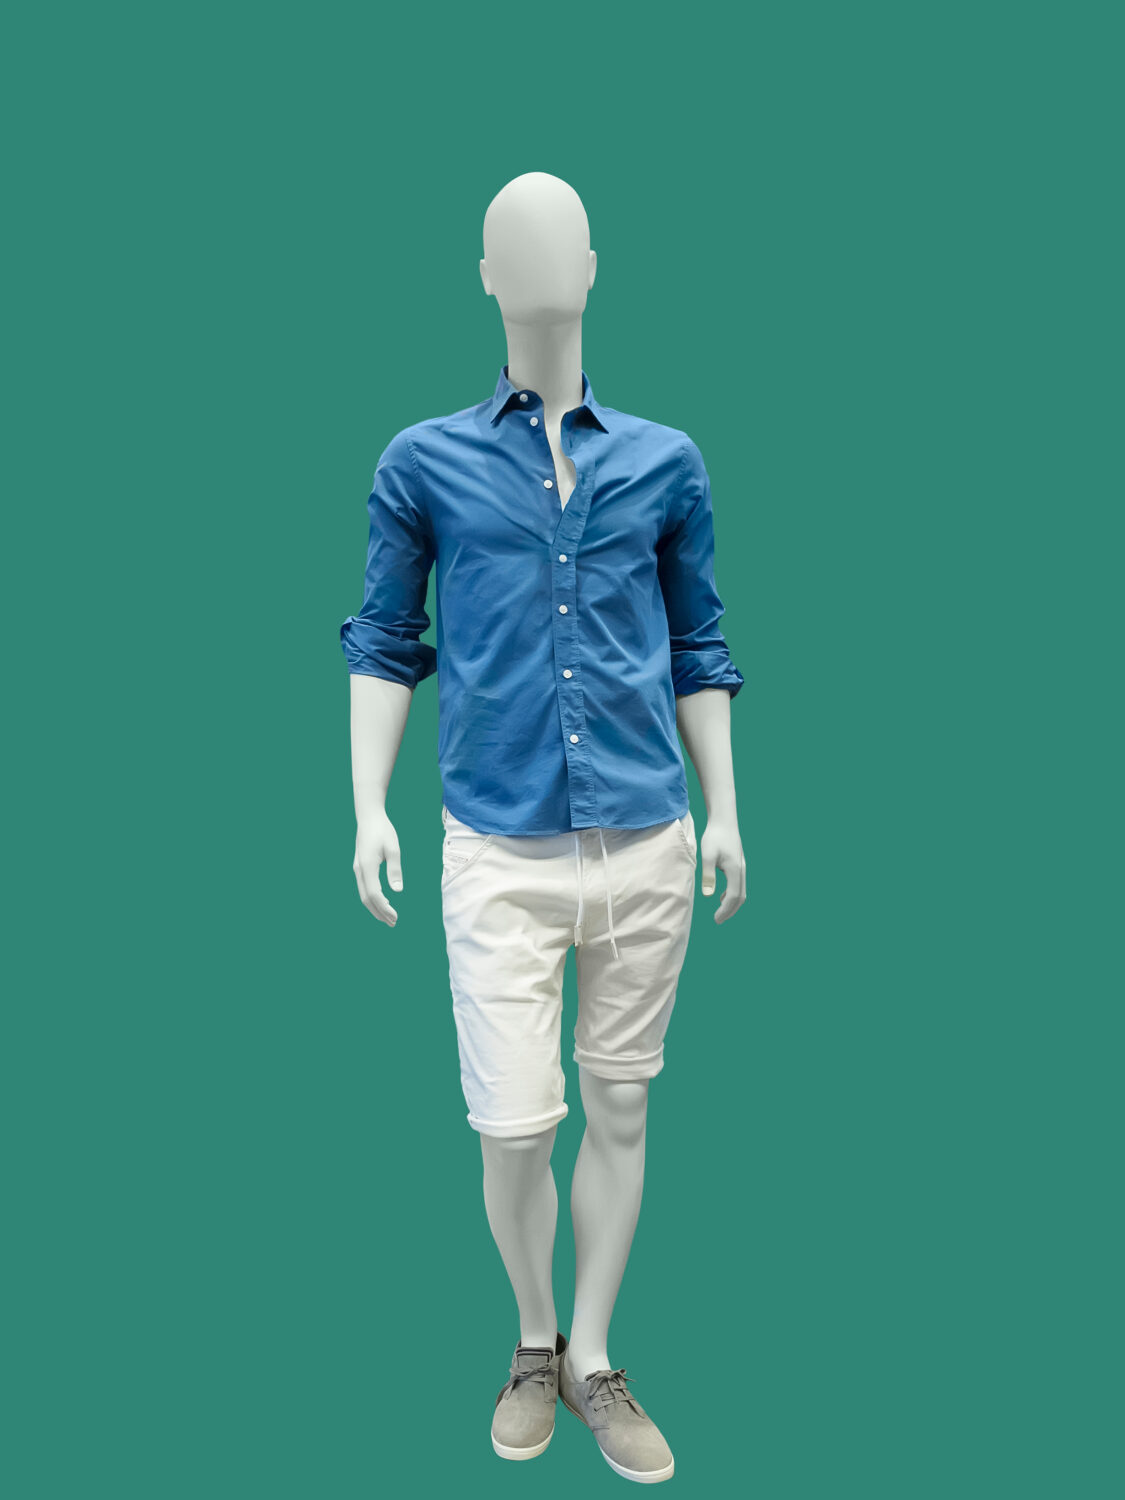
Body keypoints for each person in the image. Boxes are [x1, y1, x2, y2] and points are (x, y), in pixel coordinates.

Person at [341, 172, 747, 1484]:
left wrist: (726, 812)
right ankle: (532, 1336)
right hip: (496, 849)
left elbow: (699, 646)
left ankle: (595, 1357)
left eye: (559, 236)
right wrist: (366, 806)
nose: (535, 257)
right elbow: (384, 640)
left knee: (620, 1106)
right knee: (513, 1124)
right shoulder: (422, 462)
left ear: (592, 266)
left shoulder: (668, 462)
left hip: (644, 843)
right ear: (482, 275)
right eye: (510, 240)